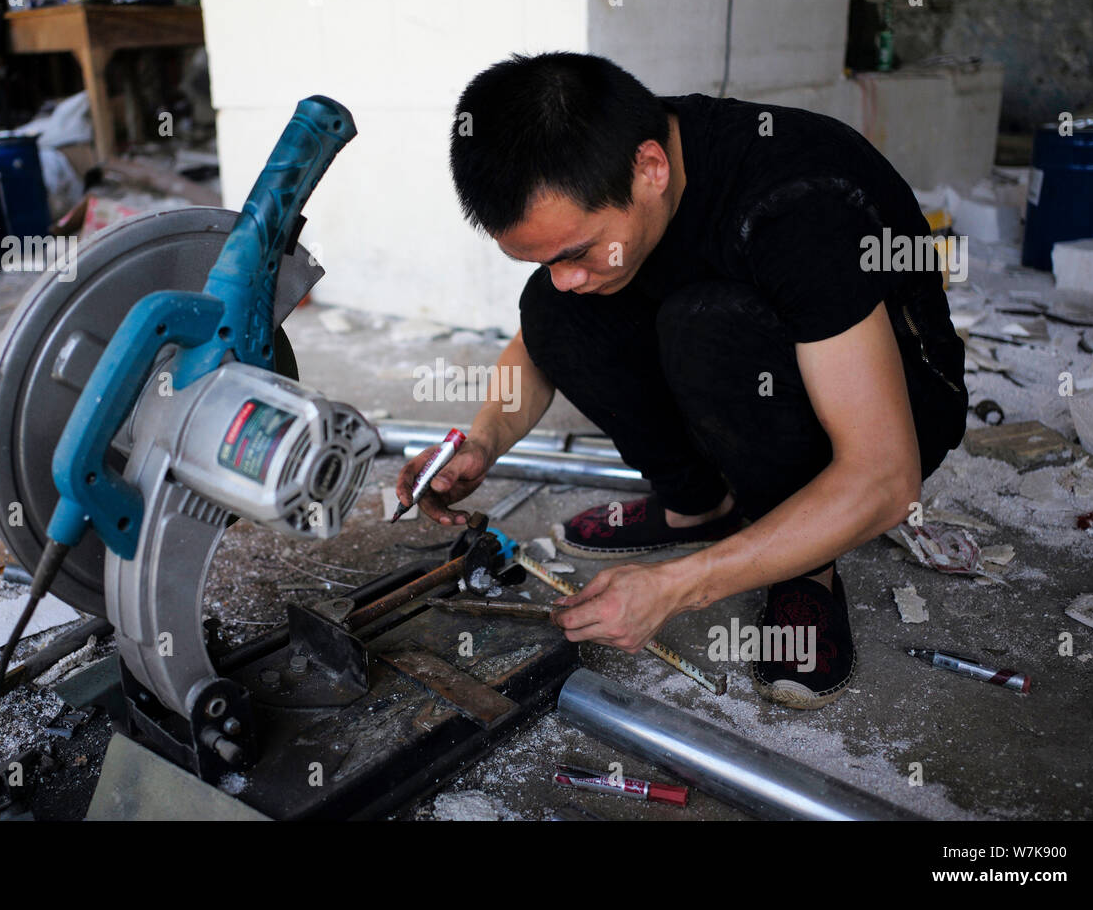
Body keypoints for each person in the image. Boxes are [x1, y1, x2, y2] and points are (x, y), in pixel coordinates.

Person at [395, 52, 967, 709]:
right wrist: (482, 443)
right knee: (554, 310)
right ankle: (697, 504)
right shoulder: (614, 164)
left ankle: (808, 568)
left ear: (651, 170)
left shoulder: (798, 205)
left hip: (899, 403)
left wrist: (675, 587)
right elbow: (536, 343)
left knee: (707, 329)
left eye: (575, 252)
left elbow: (886, 478)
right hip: (745, 342)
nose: (566, 272)